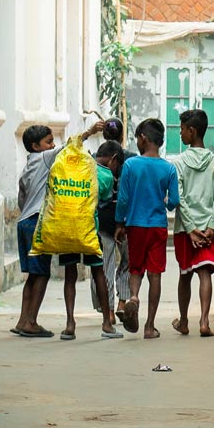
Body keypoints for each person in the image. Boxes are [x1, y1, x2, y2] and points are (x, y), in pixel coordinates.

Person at [14, 120, 106, 338]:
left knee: (32, 276)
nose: (52, 145)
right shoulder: (45, 158)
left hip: (23, 222)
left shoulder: (28, 164)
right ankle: (32, 322)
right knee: (42, 274)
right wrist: (90, 131)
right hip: (37, 223)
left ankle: (22, 319)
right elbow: (70, 144)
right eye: (48, 142)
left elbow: (21, 198)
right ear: (36, 146)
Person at [114, 118, 180, 339]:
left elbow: (122, 199)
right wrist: (164, 201)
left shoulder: (131, 165)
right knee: (155, 274)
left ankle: (133, 298)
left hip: (135, 225)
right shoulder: (169, 169)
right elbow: (173, 201)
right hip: (157, 226)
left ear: (143, 139)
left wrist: (119, 223)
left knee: (136, 268)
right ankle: (150, 326)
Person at [171, 109, 214, 338]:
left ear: (192, 131)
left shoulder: (179, 163)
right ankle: (204, 322)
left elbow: (179, 198)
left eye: (182, 129)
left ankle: (184, 321)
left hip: (187, 230)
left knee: (185, 274)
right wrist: (211, 227)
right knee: (205, 275)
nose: (180, 133)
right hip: (208, 231)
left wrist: (191, 228)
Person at [58, 145, 121, 341]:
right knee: (98, 273)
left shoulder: (71, 167)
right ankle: (106, 323)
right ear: (113, 159)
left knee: (70, 275)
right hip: (90, 230)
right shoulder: (106, 176)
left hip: (68, 228)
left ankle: (70, 323)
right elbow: (103, 199)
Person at [94, 121, 136, 324]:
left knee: (103, 268)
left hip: (101, 222)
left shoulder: (92, 160)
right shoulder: (132, 160)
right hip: (126, 222)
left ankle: (108, 311)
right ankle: (121, 303)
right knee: (127, 263)